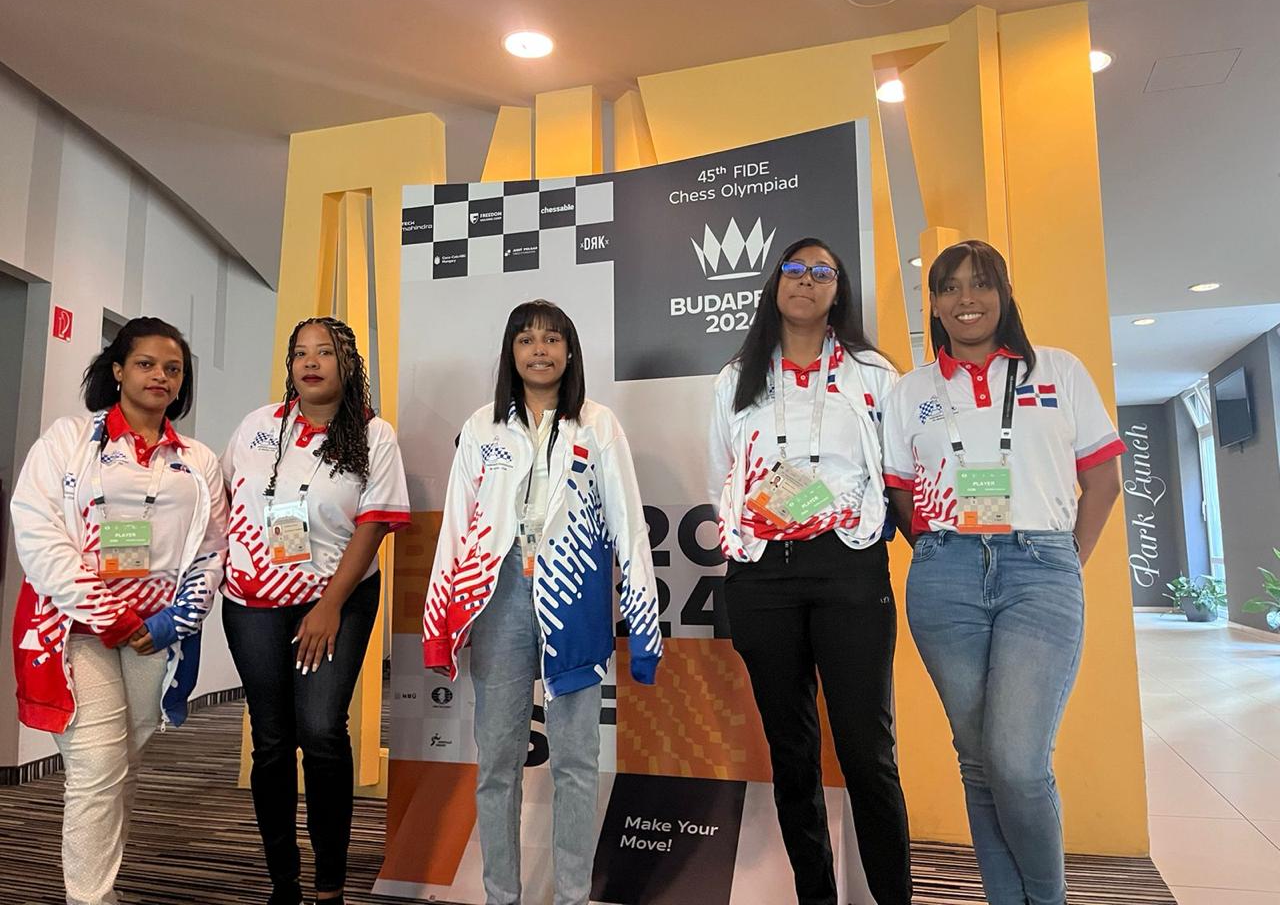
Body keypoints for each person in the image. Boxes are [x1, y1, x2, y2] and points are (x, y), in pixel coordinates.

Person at [881, 239, 1124, 905]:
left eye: (981, 283)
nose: (967, 299)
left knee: (1017, 761)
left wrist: (1064, 563)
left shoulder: (1058, 370)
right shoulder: (910, 392)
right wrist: (942, 550)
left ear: (1005, 293)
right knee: (979, 762)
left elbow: (1103, 480)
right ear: (934, 304)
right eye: (950, 287)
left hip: (1040, 566)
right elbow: (900, 492)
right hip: (946, 576)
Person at [423, 299, 662, 905]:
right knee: (498, 761)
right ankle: (501, 896)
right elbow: (456, 526)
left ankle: (572, 897)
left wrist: (644, 624)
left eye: (552, 339)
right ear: (511, 352)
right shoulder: (482, 427)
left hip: (575, 597)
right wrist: (439, 622)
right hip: (497, 592)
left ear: (570, 352)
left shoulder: (598, 424)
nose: (539, 350)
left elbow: (628, 523)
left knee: (576, 761)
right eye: (526, 339)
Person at [706, 238, 912, 905]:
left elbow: (896, 470)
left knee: (866, 753)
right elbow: (722, 476)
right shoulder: (736, 377)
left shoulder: (872, 374)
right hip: (763, 577)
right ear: (775, 284)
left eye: (822, 272)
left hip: (848, 567)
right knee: (792, 754)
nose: (806, 281)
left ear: (838, 290)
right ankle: (816, 897)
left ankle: (894, 898)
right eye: (794, 270)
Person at [10, 317, 227, 905]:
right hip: (77, 630)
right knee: (97, 769)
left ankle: (100, 887)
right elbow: (38, 532)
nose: (161, 376)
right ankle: (89, 899)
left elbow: (212, 548)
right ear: (117, 370)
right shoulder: (67, 441)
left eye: (173, 369)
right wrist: (110, 614)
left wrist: (177, 618)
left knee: (119, 767)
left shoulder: (198, 460)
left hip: (154, 637)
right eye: (146, 364)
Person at [221, 316, 410, 905]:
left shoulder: (374, 435)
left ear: (347, 364)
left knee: (323, 731)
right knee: (272, 740)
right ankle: (284, 883)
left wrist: (328, 606)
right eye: (300, 353)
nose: (310, 362)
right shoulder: (258, 426)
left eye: (324, 352)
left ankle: (330, 885)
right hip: (252, 602)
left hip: (337, 599)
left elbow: (373, 524)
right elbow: (223, 496)